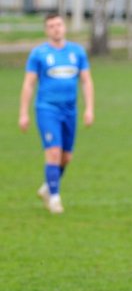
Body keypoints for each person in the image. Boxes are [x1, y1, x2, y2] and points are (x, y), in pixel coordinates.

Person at [18, 13, 94, 214]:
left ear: (65, 27)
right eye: (51, 26)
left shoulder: (76, 52)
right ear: (46, 30)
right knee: (53, 152)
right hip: (47, 109)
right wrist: (23, 113)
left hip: (70, 110)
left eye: (59, 24)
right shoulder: (39, 54)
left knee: (66, 157)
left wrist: (89, 108)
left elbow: (86, 81)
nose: (56, 29)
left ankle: (48, 186)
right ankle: (54, 198)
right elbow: (29, 84)